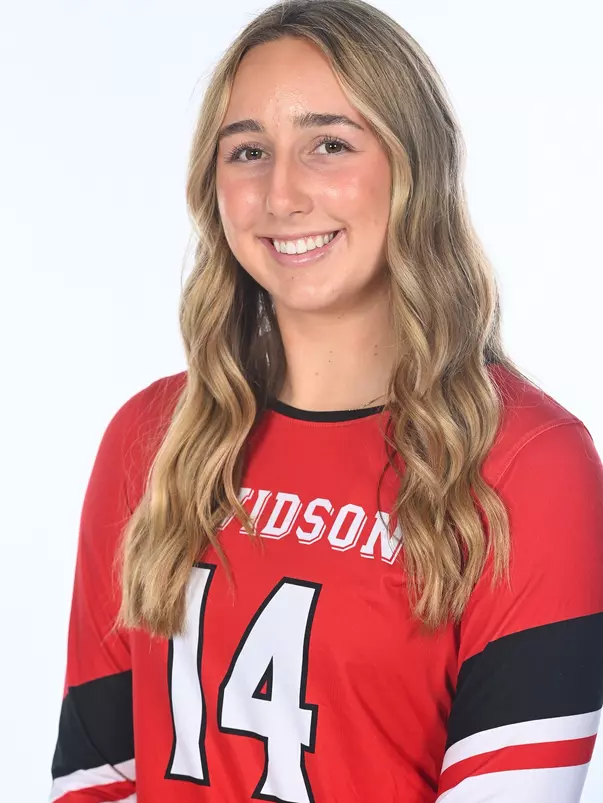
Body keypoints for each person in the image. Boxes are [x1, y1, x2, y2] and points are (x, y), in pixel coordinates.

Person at [49, 1, 603, 801]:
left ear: (415, 168)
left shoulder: (529, 464)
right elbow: (94, 782)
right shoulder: (149, 439)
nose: (281, 195)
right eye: (247, 151)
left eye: (328, 145)